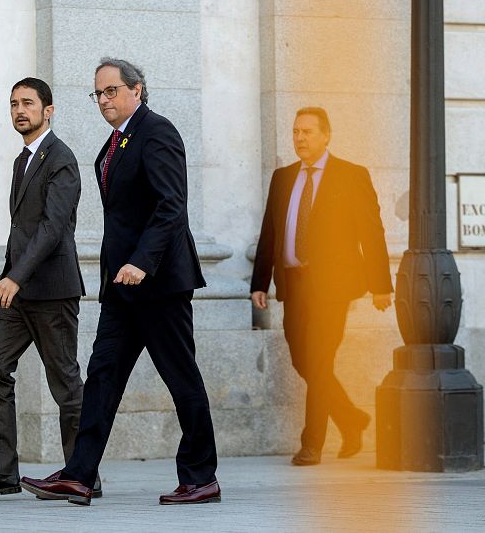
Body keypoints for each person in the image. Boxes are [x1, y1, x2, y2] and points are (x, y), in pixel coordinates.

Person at [20, 58, 220, 506]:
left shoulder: (158, 132)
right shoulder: (116, 143)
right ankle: (79, 474)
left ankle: (201, 476)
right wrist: (116, 272)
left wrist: (143, 262)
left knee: (180, 376)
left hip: (159, 283)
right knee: (102, 377)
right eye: (98, 94)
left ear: (137, 89)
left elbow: (172, 206)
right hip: (122, 287)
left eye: (112, 91)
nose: (104, 100)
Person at [0, 77, 89, 498]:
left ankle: (82, 472)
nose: (19, 111)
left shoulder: (61, 159)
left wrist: (15, 275)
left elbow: (51, 229)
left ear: (48, 110)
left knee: (65, 384)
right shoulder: (22, 160)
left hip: (51, 291)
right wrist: (8, 274)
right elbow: (22, 229)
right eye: (13, 103)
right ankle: (2, 472)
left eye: (27, 103)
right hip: (20, 294)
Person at [250, 107, 393, 466]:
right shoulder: (283, 178)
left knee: (320, 358)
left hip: (333, 286)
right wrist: (260, 282)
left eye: (308, 132)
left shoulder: (351, 175)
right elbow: (270, 231)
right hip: (293, 284)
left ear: (326, 135)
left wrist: (380, 285)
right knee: (303, 358)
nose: (300, 138)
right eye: (296, 132)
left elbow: (371, 232)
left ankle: (312, 443)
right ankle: (351, 418)